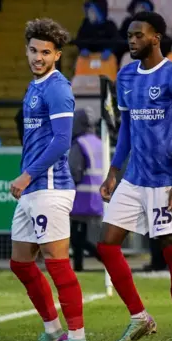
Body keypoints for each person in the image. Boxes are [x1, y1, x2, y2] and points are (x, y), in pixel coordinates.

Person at [96, 11, 172, 341]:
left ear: (156, 37)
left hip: (165, 179)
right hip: (134, 178)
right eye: (129, 36)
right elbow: (125, 128)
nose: (132, 40)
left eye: (138, 35)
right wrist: (113, 171)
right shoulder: (125, 77)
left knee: (171, 251)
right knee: (106, 245)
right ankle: (140, 317)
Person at [8, 18, 90, 341]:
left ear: (57, 55)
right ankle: (53, 331)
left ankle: (78, 339)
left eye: (45, 52)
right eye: (33, 50)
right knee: (21, 263)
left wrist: (27, 175)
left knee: (57, 263)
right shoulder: (35, 86)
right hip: (33, 190)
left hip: (50, 187)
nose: (37, 57)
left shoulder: (57, 87)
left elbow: (60, 141)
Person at [68, 107, 103, 271]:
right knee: (81, 234)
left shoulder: (79, 143)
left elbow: (74, 170)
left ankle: (98, 259)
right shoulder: (98, 142)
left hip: (80, 195)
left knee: (76, 236)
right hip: (96, 194)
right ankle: (79, 266)